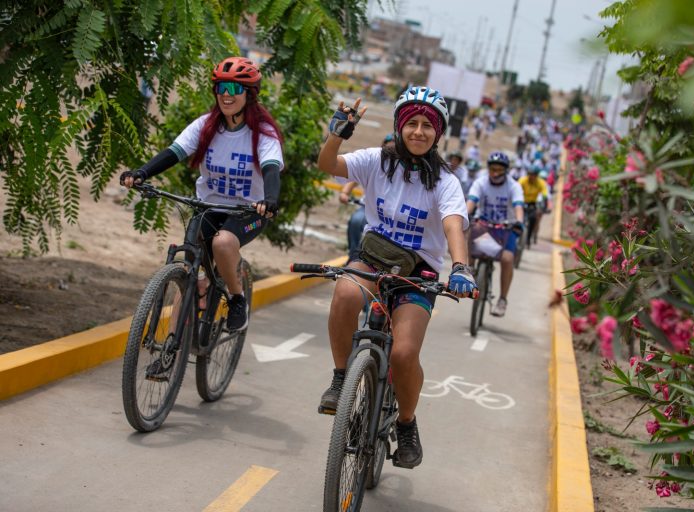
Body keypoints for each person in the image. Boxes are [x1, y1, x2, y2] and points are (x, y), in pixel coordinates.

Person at [316, 86, 477, 469]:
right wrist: (336, 132)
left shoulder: (446, 181)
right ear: (399, 127)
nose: (418, 131)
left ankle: (406, 424)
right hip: (373, 257)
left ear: (438, 134)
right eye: (412, 124)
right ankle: (341, 379)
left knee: (404, 353)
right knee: (344, 294)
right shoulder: (376, 160)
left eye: (427, 126)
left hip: (418, 271)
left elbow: (454, 225)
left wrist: (460, 267)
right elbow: (328, 165)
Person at [120, 56, 283, 344]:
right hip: (208, 206)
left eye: (234, 89)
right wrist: (142, 173)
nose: (225, 95)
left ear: (249, 94)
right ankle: (171, 347)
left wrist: (269, 199)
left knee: (222, 242)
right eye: (220, 87)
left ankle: (236, 299)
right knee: (190, 279)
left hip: (249, 211)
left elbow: (271, 169)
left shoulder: (263, 134)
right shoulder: (206, 126)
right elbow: (174, 152)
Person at [466, 151, 524, 318]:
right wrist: (463, 214)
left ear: (506, 171)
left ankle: (502, 299)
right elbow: (471, 202)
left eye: (499, 170)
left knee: (507, 259)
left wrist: (519, 222)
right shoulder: (480, 182)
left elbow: (518, 206)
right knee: (469, 230)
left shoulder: (513, 186)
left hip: (506, 228)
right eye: (493, 169)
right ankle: (470, 269)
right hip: (485, 226)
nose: (496, 173)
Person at [339, 133, 395, 261]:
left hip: (388, 214)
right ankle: (352, 254)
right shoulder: (375, 163)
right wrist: (344, 193)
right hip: (367, 207)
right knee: (356, 220)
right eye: (388, 148)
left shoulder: (404, 171)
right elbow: (354, 178)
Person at [518, 163, 550, 248]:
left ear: (537, 176)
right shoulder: (523, 180)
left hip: (532, 203)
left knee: (533, 219)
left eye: (534, 175)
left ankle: (528, 238)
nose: (532, 177)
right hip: (521, 201)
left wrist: (545, 206)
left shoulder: (541, 183)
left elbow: (544, 194)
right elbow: (516, 189)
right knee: (517, 218)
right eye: (530, 175)